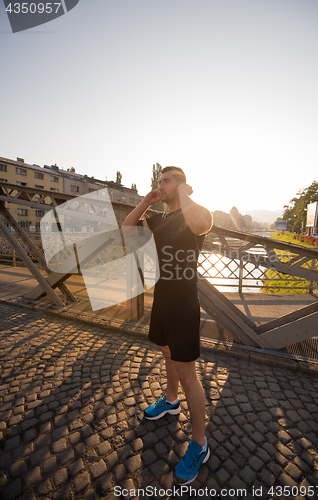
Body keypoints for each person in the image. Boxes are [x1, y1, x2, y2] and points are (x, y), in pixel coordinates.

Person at [122, 166, 213, 485]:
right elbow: (127, 229)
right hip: (161, 300)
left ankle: (200, 445)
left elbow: (200, 225)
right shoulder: (158, 217)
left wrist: (185, 195)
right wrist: (146, 202)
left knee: (189, 373)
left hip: (184, 306)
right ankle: (171, 401)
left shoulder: (197, 213)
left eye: (166, 181)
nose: (160, 185)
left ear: (181, 184)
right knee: (167, 355)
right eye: (158, 180)